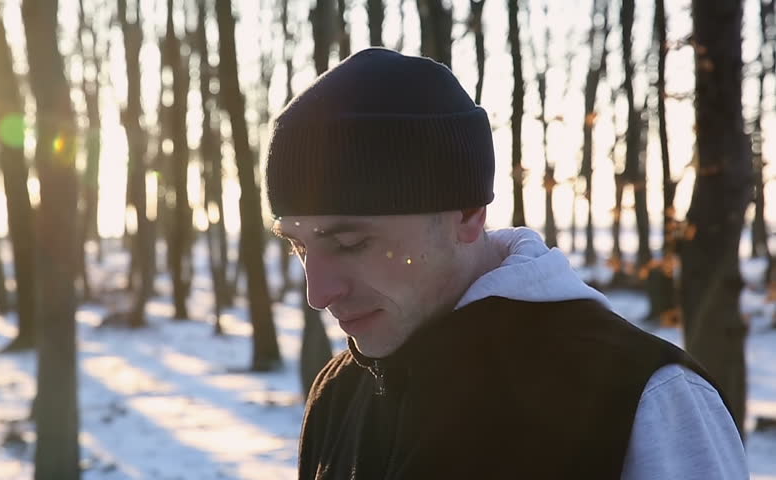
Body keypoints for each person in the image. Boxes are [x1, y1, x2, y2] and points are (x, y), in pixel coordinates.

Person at [264, 48, 747, 479]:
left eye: (349, 242)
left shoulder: (640, 399)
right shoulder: (339, 394)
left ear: (468, 214)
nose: (318, 292)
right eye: (300, 246)